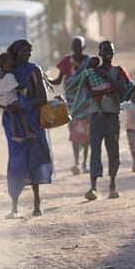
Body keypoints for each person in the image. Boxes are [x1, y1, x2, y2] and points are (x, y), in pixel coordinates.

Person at [0, 39, 53, 218]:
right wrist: (9, 106)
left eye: (29, 51)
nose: (27, 54)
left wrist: (24, 106)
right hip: (12, 122)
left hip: (32, 121)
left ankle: (37, 203)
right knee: (16, 161)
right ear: (15, 52)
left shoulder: (34, 70)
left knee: (34, 160)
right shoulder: (7, 71)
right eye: (23, 51)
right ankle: (14, 205)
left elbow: (42, 99)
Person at [84, 41, 134, 201]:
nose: (108, 53)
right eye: (105, 50)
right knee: (95, 151)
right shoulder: (92, 71)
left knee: (113, 151)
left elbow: (122, 88)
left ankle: (112, 184)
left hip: (112, 114)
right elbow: (88, 93)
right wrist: (108, 89)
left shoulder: (118, 70)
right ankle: (93, 187)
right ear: (99, 52)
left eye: (111, 51)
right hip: (96, 116)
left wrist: (106, 79)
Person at [49, 36, 91, 174]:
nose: (77, 50)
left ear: (83, 48)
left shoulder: (88, 60)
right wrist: (45, 79)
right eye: (74, 48)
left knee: (86, 134)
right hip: (72, 102)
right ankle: (76, 162)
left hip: (86, 101)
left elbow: (93, 77)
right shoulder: (66, 61)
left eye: (79, 47)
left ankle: (85, 163)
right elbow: (58, 80)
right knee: (74, 132)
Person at [0, 52, 35, 143]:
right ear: (4, 66)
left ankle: (14, 135)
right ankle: (28, 131)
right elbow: (19, 87)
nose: (12, 68)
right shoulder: (9, 76)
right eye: (10, 66)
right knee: (22, 112)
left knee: (12, 116)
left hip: (2, 99)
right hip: (10, 99)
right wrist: (27, 80)